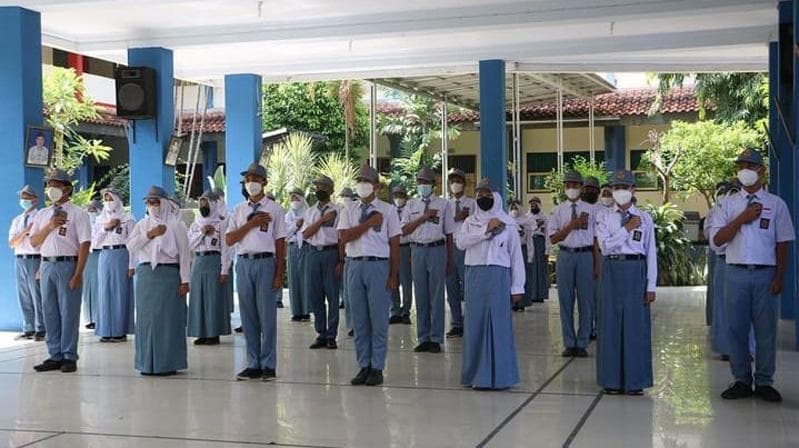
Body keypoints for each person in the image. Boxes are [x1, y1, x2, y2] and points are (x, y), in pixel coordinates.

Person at [709, 148, 795, 403]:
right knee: (736, 329)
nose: (745, 169)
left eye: (750, 165)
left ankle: (765, 381)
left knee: (766, 330)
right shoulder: (728, 204)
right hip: (734, 273)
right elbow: (716, 240)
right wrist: (742, 219)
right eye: (741, 165)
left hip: (765, 274)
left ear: (761, 170)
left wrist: (780, 277)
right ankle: (741, 380)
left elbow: (783, 243)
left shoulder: (776, 204)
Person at [456, 178, 523, 390]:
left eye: (488, 194)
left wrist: (517, 286)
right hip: (475, 274)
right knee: (475, 324)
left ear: (496, 197)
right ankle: (475, 375)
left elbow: (516, 257)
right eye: (480, 194)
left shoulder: (509, 223)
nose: (483, 198)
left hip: (498, 276)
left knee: (498, 324)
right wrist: (485, 229)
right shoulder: (470, 222)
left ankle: (501, 376)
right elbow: (461, 243)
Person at [595, 170, 657, 396]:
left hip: (636, 270)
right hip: (612, 269)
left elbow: (651, 253)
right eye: (616, 187)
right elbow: (605, 247)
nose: (620, 192)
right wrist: (626, 229)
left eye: (625, 187)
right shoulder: (603, 217)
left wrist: (651, 286)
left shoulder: (645, 218)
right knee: (610, 324)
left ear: (633, 190)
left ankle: (635, 380)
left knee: (636, 326)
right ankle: (611, 380)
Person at [338, 165, 400, 386]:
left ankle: (377, 367)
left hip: (378, 266)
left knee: (379, 319)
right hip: (354, 265)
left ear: (376, 185)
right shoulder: (349, 210)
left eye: (366, 180)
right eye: (359, 180)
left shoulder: (389, 210)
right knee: (359, 319)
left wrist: (393, 275)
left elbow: (395, 244)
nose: (362, 184)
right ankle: (363, 365)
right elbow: (344, 237)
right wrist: (368, 224)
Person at [226, 163, 286, 381]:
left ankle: (268, 364)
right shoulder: (239, 210)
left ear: (264, 182)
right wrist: (251, 224)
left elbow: (280, 243)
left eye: (255, 179)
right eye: (248, 179)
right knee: (248, 315)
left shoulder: (275, 209)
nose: (251, 183)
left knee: (267, 316)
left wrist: (279, 272)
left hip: (265, 262)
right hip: (244, 263)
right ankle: (253, 363)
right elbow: (230, 238)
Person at [29, 169, 91, 373]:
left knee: (69, 312)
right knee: (49, 311)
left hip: (68, 264)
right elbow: (34, 241)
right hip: (47, 264)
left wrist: (78, 273)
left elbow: (84, 244)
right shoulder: (42, 214)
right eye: (49, 184)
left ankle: (69, 355)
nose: (51, 188)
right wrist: (49, 226)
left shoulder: (78, 214)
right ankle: (54, 354)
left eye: (56, 184)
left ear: (67, 188)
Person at [126, 186, 190, 376]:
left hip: (169, 275)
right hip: (147, 274)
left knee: (168, 320)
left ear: (164, 203)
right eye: (149, 202)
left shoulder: (177, 225)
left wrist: (185, 280)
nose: (152, 206)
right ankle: (146, 363)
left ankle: (167, 363)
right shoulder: (143, 224)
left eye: (155, 202)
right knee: (146, 320)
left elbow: (185, 255)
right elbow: (131, 246)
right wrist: (150, 234)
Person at [401, 167, 455, 353]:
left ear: (434, 184)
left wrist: (449, 259)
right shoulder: (411, 205)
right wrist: (423, 217)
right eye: (420, 182)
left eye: (426, 182)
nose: (422, 185)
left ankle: (436, 337)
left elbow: (448, 233)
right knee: (421, 295)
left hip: (437, 249)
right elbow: (404, 230)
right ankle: (423, 336)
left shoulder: (443, 204)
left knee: (437, 295)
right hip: (417, 250)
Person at [548, 171, 598, 358]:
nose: (572, 189)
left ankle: (583, 341)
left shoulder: (591, 210)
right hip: (565, 255)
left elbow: (595, 239)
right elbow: (553, 238)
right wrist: (572, 225)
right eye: (568, 185)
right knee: (565, 300)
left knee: (586, 300)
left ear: (581, 188)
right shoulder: (558, 210)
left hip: (585, 255)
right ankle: (569, 342)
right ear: (564, 187)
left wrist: (596, 265)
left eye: (575, 185)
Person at [188, 190, 232, 345]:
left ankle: (213, 334)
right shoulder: (196, 224)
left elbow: (226, 248)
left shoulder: (221, 223)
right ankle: (201, 333)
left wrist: (224, 269)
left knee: (212, 298)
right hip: (199, 262)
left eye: (206, 202)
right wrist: (202, 232)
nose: (203, 205)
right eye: (201, 202)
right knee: (198, 298)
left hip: (214, 261)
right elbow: (190, 245)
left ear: (213, 204)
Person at [302, 175, 341, 349]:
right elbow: (306, 234)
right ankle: (321, 333)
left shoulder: (339, 210)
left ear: (331, 190)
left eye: (324, 186)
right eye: (317, 186)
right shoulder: (310, 212)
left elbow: (341, 237)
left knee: (332, 296)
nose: (320, 189)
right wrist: (322, 220)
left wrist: (341, 259)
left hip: (331, 254)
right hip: (313, 254)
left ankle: (332, 335)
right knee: (315, 295)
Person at [93, 188, 135, 343]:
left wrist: (132, 265)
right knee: (104, 292)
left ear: (118, 199)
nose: (108, 202)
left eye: (111, 199)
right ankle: (105, 330)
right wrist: (106, 227)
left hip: (121, 255)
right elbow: (94, 242)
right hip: (104, 255)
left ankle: (119, 331)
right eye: (106, 199)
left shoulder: (128, 219)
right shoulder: (99, 220)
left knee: (120, 292)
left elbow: (132, 243)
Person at [9, 185, 45, 341]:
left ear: (35, 200)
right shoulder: (17, 220)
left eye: (27, 197)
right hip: (20, 259)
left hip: (34, 259)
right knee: (23, 294)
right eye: (22, 197)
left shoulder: (40, 218)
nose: (24, 200)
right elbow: (12, 242)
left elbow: (41, 241)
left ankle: (41, 327)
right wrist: (24, 232)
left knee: (36, 294)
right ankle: (28, 327)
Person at [444, 168, 476, 336]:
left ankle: (469, 321)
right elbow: (442, 225)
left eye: (458, 181)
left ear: (464, 184)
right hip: (449, 247)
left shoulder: (472, 204)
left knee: (468, 287)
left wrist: (466, 217)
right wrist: (457, 217)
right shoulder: (446, 204)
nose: (455, 184)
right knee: (451, 287)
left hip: (466, 249)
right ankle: (456, 323)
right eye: (452, 182)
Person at [389, 185, 414, 325]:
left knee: (406, 281)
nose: (398, 198)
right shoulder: (390, 210)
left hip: (405, 248)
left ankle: (406, 311)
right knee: (393, 279)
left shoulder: (409, 210)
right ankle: (395, 310)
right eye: (396, 195)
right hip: (392, 248)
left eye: (401, 195)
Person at [285, 189, 310, 322]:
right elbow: (286, 233)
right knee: (293, 279)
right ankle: (296, 311)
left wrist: (298, 227)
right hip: (292, 248)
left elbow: (307, 231)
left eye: (297, 199)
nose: (294, 202)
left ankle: (306, 311)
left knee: (304, 279)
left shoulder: (308, 213)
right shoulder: (288, 215)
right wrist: (296, 225)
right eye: (292, 199)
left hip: (305, 247)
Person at [509, 199, 534, 311]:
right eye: (512, 208)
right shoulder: (507, 221)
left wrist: (530, 255)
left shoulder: (526, 222)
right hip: (510, 252)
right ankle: (512, 302)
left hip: (522, 250)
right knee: (511, 276)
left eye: (516, 208)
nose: (514, 210)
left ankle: (522, 303)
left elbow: (529, 241)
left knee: (522, 276)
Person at [338, 187, 356, 335]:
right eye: (343, 196)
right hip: (347, 256)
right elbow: (342, 236)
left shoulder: (354, 210)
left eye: (347, 196)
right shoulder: (341, 210)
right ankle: (352, 325)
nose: (345, 198)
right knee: (349, 294)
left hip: (356, 256)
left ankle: (360, 325)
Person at [82, 200, 102, 330]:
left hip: (98, 254)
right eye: (89, 209)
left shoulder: (101, 222)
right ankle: (88, 318)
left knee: (97, 286)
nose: (91, 212)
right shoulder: (83, 222)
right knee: (86, 287)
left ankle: (97, 317)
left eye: (94, 209)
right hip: (85, 255)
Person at [527, 197, 549, 303]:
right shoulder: (526, 217)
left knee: (541, 269)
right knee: (531, 269)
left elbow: (548, 234)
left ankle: (541, 294)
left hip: (541, 243)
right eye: (531, 205)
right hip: (531, 243)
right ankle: (531, 294)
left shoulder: (545, 217)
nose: (533, 207)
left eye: (535, 205)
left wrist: (547, 250)